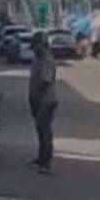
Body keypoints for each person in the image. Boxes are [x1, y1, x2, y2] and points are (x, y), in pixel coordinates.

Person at [28, 31, 58, 175]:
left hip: (46, 100)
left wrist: (36, 96)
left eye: (36, 46)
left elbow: (45, 82)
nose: (34, 49)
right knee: (40, 130)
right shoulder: (37, 59)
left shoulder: (47, 60)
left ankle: (46, 161)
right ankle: (40, 159)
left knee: (44, 130)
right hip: (37, 100)